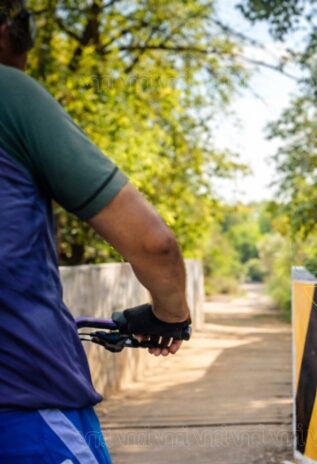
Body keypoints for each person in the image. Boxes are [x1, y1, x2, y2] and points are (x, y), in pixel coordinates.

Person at [0, 1, 191, 462]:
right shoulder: (9, 92)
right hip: (22, 398)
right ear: (6, 32)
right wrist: (170, 316)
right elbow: (154, 245)